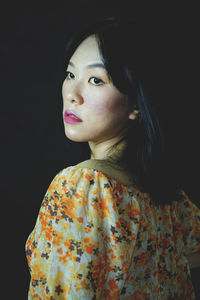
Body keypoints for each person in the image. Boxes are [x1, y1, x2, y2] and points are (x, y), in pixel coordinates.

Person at [25, 18, 200, 299]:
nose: (72, 94)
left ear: (136, 104)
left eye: (96, 80)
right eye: (70, 75)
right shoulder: (171, 198)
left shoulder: (82, 188)